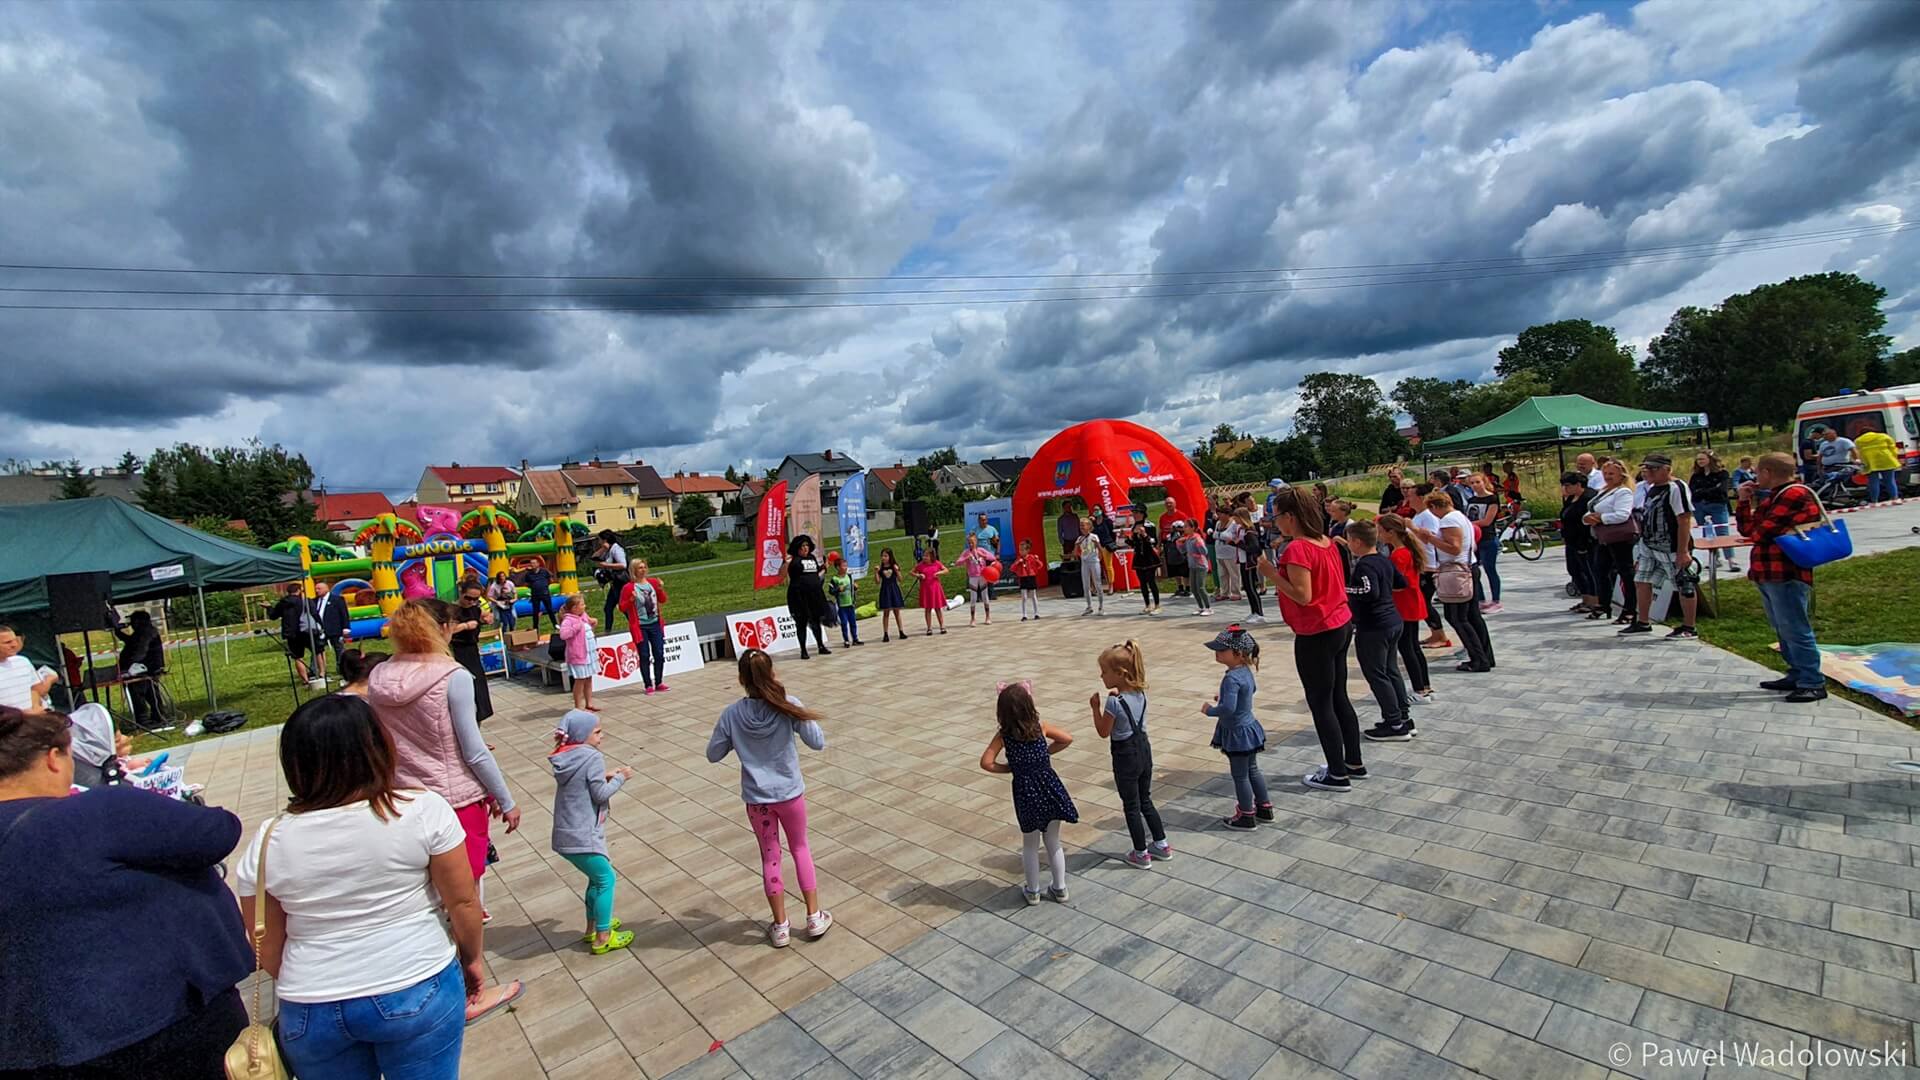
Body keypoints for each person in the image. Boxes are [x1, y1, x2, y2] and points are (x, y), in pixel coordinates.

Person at [235, 694, 485, 1079]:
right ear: (379, 747)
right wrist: (471, 958)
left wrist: (318, 977)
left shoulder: (268, 841)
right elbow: (463, 902)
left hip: (310, 1006)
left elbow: (264, 942)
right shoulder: (421, 811)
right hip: (416, 982)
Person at [0, 705, 254, 1080]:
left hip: (27, 1047)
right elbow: (219, 831)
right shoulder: (97, 810)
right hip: (164, 1024)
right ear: (53, 758)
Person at [365, 599, 523, 1022]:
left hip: (400, 799)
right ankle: (471, 990)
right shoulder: (453, 677)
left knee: (425, 897)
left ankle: (431, 985)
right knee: (465, 898)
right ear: (445, 628)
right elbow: (472, 749)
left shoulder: (379, 674)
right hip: (454, 800)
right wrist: (505, 798)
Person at [708, 649, 833, 945]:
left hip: (757, 799)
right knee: (800, 848)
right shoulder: (787, 705)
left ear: (741, 679)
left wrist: (734, 739)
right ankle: (814, 917)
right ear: (772, 673)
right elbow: (817, 742)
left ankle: (780, 925)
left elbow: (713, 753)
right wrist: (795, 710)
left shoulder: (732, 714)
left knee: (770, 857)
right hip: (790, 794)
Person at [1261, 488, 1367, 791]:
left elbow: (1303, 595)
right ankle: (1353, 762)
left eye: (1277, 515)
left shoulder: (1298, 549)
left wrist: (1270, 574)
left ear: (1290, 517)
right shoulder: (1326, 542)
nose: (1275, 521)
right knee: (1339, 696)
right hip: (1339, 622)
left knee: (1321, 703)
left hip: (1316, 630)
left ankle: (1336, 772)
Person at [1738, 452, 1829, 703]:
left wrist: (1754, 518)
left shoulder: (1794, 495)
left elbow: (1760, 532)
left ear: (1768, 472)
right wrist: (1744, 501)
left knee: (1795, 628)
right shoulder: (1776, 496)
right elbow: (1748, 529)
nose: (1755, 477)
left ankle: (1812, 681)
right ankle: (1797, 672)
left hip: (1786, 572)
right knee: (1782, 627)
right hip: (1769, 571)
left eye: (1758, 472)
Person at [979, 680, 1076, 904]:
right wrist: (1044, 755)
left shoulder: (1004, 736)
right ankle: (1060, 888)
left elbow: (986, 762)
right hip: (1049, 786)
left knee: (1030, 845)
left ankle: (1032, 891)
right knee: (1053, 841)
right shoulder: (1040, 727)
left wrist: (1011, 768)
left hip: (1025, 791)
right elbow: (1067, 738)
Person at [550, 709, 635, 954]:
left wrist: (604, 775)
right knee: (606, 879)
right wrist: (620, 778)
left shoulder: (567, 755)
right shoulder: (592, 758)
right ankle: (603, 936)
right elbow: (600, 794)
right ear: (582, 734)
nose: (601, 736)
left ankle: (592, 927)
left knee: (594, 879)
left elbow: (583, 781)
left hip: (566, 832)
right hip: (583, 833)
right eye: (597, 732)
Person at [1089, 642, 1169, 868]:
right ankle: (1162, 844)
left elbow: (1103, 732)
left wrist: (1095, 707)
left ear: (1119, 674)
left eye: (1104, 672)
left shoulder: (1114, 702)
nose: (1101, 676)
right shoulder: (1139, 693)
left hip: (1125, 755)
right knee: (1146, 800)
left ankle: (1141, 852)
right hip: (1144, 750)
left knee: (1131, 805)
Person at [1347, 521, 1414, 742]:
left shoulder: (1365, 565)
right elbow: (1401, 582)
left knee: (1377, 674)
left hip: (1374, 625)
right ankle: (1402, 717)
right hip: (1393, 620)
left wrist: (1342, 589)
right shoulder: (1384, 560)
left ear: (1357, 542)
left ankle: (1394, 723)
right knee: (1391, 670)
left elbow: (1369, 591)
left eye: (1349, 541)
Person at [1414, 492, 1495, 673]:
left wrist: (1430, 538)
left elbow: (1454, 547)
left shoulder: (1448, 521)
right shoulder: (1461, 517)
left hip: (1456, 571)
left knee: (1457, 617)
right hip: (1468, 567)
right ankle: (1485, 656)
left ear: (1435, 507)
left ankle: (1478, 659)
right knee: (1472, 615)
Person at [1621, 453, 1699, 639]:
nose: (1648, 472)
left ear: (1667, 469)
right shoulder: (1652, 488)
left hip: (1670, 546)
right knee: (1641, 580)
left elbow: (1684, 519)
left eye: (1654, 468)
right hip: (1649, 545)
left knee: (1683, 584)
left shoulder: (1676, 488)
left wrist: (1683, 551)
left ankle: (1689, 627)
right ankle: (1643, 622)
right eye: (1646, 468)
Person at [1202, 626, 1268, 826]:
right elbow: (1251, 690)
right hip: (1250, 728)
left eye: (1222, 650)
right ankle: (1265, 808)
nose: (1217, 653)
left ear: (1238, 654)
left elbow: (1228, 709)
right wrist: (1227, 698)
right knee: (1253, 770)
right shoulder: (1246, 671)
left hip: (1237, 734)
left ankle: (1246, 814)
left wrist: (1211, 710)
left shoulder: (1231, 678)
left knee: (1240, 776)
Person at [1376, 515, 1433, 705]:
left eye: (1381, 531)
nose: (1379, 535)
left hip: (1405, 604)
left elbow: (1399, 583)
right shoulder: (1406, 550)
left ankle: (1419, 689)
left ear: (1391, 533)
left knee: (1407, 647)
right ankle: (1423, 686)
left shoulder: (1399, 554)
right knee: (1413, 646)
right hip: (1411, 602)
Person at [1584, 461, 1639, 623]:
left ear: (1621, 475)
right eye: (1605, 473)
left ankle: (1630, 609)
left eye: (1611, 474)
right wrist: (1587, 518)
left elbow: (1623, 514)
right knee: (1600, 571)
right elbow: (1591, 508)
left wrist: (1601, 518)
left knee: (1625, 572)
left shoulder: (1623, 492)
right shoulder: (1604, 490)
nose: (1607, 477)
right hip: (1603, 537)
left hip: (1620, 538)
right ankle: (1603, 604)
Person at [618, 558, 673, 692]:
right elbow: (622, 607)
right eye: (639, 568)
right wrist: (631, 600)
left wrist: (660, 588)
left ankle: (659, 682)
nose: (643, 570)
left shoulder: (653, 583)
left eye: (644, 567)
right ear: (634, 570)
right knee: (644, 655)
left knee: (659, 653)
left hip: (655, 624)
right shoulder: (628, 587)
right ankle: (648, 684)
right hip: (640, 626)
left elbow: (663, 599)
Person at [1411, 486, 1450, 650]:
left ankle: (1440, 634)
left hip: (1429, 565)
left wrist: (1412, 530)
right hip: (1420, 563)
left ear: (1420, 497)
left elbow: (1431, 538)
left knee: (1425, 602)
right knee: (1422, 601)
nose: (1407, 497)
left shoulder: (1428, 516)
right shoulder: (1418, 515)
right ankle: (1435, 632)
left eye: (1411, 495)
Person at [449, 581, 495, 723]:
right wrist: (465, 626)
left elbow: (485, 615)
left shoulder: (475, 609)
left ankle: (479, 723)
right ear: (461, 593)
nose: (471, 602)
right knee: (466, 689)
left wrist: (487, 618)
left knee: (479, 689)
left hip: (473, 650)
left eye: (476, 599)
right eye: (468, 598)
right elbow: (446, 631)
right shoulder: (451, 610)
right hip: (457, 650)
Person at [115, 609, 167, 729]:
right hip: (145, 668)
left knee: (139, 693)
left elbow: (140, 651)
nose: (131, 624)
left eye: (133, 621)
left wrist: (129, 666)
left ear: (138, 622)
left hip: (145, 669)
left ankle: (144, 719)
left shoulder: (145, 632)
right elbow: (131, 642)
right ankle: (158, 716)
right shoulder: (144, 631)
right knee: (150, 693)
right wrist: (118, 632)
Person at [784, 536, 833, 659]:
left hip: (814, 595)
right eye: (802, 546)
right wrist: (786, 562)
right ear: (797, 548)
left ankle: (821, 646)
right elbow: (787, 574)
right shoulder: (794, 561)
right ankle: (803, 650)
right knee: (801, 623)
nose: (805, 548)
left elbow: (815, 573)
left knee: (816, 621)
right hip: (800, 596)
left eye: (807, 546)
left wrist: (823, 567)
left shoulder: (812, 558)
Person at [1558, 471, 1600, 614]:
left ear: (1578, 485)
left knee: (1588, 571)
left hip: (1585, 541)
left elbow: (1584, 521)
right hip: (1571, 540)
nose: (1565, 488)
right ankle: (1585, 598)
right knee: (1574, 570)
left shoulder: (1588, 497)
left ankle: (1595, 601)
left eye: (1567, 485)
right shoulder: (1570, 498)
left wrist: (1583, 542)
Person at [1689, 452, 1737, 574]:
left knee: (1722, 531)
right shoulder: (1696, 476)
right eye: (1698, 459)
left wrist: (1703, 491)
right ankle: (1715, 558)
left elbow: (1721, 489)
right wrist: (1709, 490)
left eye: (1702, 459)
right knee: (1706, 532)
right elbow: (1692, 491)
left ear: (1710, 459)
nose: (1700, 461)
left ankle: (1731, 560)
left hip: (1717, 505)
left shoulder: (1722, 474)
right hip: (1699, 506)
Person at [1465, 474, 1504, 613]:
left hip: (1488, 537)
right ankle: (1480, 599)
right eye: (1472, 483)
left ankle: (1496, 600)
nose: (1475, 485)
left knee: (1490, 568)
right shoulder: (1472, 500)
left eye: (1477, 482)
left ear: (1484, 482)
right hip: (1475, 539)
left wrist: (1467, 523)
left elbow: (1487, 521)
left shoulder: (1492, 499)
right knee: (1474, 570)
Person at [0, 625, 59, 713]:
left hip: (31, 721)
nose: (14, 645)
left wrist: (35, 708)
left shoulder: (22, 661)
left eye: (15, 640)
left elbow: (34, 689)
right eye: (8, 642)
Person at [270, 582, 319, 684]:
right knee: (317, 651)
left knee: (297, 657)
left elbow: (273, 616)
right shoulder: (303, 601)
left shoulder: (282, 603)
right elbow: (314, 613)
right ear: (298, 591)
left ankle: (305, 680)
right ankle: (321, 674)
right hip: (305, 630)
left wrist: (269, 608)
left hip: (291, 633)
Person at [557, 594, 599, 712]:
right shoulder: (568, 620)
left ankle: (589, 702)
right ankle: (578, 706)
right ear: (575, 608)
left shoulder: (583, 616)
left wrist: (593, 622)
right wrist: (576, 627)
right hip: (578, 654)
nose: (584, 606)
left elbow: (589, 623)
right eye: (582, 604)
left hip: (588, 653)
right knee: (580, 680)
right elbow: (564, 634)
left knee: (588, 678)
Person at [313, 579, 354, 674]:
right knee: (317, 650)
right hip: (320, 630)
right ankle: (316, 669)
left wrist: (346, 628)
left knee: (339, 649)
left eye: (319, 588)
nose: (317, 590)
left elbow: (344, 614)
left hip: (335, 629)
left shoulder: (337, 600)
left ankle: (342, 668)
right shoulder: (314, 601)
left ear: (326, 589)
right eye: (316, 588)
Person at [957, 533, 998, 627]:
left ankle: (988, 617)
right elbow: (958, 562)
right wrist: (966, 558)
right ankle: (972, 619)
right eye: (969, 542)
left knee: (985, 596)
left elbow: (993, 557)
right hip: (973, 577)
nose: (971, 544)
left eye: (972, 542)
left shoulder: (981, 550)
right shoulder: (966, 552)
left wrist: (983, 555)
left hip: (982, 576)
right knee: (973, 598)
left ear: (976, 542)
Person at [1856, 426, 1903, 506]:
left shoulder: (1858, 440)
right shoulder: (1884, 436)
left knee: (1873, 482)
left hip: (1870, 462)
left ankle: (1874, 501)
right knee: (1889, 481)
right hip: (1886, 460)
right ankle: (1895, 498)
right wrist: (1894, 457)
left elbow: (1858, 453)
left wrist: (1862, 462)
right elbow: (1893, 448)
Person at [592, 530, 629, 632]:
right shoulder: (609, 550)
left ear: (605, 539)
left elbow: (623, 565)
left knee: (624, 608)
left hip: (621, 584)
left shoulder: (616, 549)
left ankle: (637, 627)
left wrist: (606, 565)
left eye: (600, 540)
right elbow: (594, 558)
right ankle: (608, 631)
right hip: (615, 584)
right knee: (608, 608)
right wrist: (603, 548)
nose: (598, 542)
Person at [825, 553, 863, 645]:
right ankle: (846, 640)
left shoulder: (849, 577)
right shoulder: (834, 579)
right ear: (838, 567)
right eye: (844, 566)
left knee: (853, 622)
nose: (846, 567)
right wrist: (838, 589)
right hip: (841, 605)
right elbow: (831, 591)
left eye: (846, 566)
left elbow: (852, 589)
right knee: (844, 623)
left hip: (850, 603)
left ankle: (855, 638)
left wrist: (855, 587)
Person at [875, 548, 909, 641]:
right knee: (886, 612)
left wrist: (897, 571)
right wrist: (876, 573)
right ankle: (885, 633)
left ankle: (901, 631)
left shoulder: (894, 566)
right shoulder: (881, 568)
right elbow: (877, 582)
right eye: (882, 556)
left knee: (897, 611)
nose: (883, 558)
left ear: (890, 557)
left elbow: (900, 579)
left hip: (894, 589)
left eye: (885, 556)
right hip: (885, 590)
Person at [1128, 522, 1162, 614]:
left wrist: (1144, 534)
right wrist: (1127, 538)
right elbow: (1133, 544)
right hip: (1139, 560)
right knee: (1142, 583)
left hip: (1150, 559)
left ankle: (1157, 605)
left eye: (1137, 513)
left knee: (1151, 582)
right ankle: (1147, 605)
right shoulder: (1134, 527)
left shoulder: (1149, 526)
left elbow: (1152, 541)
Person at [913, 549, 949, 635]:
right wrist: (918, 575)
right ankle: (929, 628)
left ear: (932, 556)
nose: (924, 557)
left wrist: (939, 573)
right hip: (926, 589)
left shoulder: (937, 563)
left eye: (926, 556)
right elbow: (912, 572)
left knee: (938, 608)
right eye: (924, 555)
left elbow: (946, 570)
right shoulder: (921, 565)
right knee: (928, 609)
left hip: (935, 588)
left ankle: (942, 626)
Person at [1180, 523, 1213, 615]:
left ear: (1192, 528)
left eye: (1186, 526)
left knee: (1201, 587)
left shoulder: (1197, 538)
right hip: (1192, 565)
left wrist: (1197, 550)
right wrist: (1179, 543)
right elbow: (1183, 550)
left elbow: (1204, 551)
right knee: (1194, 589)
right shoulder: (1188, 539)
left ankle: (1208, 607)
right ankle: (1200, 607)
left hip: (1200, 565)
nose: (1184, 528)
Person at [1076, 521, 1106, 616]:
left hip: (1094, 561)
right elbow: (1075, 552)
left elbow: (1100, 549)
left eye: (1083, 525)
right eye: (1080, 525)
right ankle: (1089, 606)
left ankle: (1101, 606)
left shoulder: (1094, 536)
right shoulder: (1080, 538)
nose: (1081, 527)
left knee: (1097, 583)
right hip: (1084, 562)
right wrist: (1077, 545)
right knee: (1086, 585)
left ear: (1088, 526)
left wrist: (1097, 545)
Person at [1215, 508, 1245, 602]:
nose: (1219, 516)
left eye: (1221, 514)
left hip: (1231, 552)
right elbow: (1214, 535)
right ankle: (1224, 592)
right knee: (1222, 574)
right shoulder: (1218, 524)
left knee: (1234, 573)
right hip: (1219, 552)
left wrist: (1220, 535)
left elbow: (1232, 537)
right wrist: (1219, 535)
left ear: (1227, 514)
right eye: (1218, 514)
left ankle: (1236, 592)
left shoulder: (1234, 524)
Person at [1011, 540, 1045, 621]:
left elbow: (1040, 565)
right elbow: (1012, 568)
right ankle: (1024, 615)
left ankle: (1036, 613)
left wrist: (1036, 560)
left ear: (1027, 550)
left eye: (1023, 550)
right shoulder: (1019, 559)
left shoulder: (1032, 557)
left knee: (1033, 596)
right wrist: (1018, 563)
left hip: (1031, 577)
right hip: (1023, 578)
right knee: (1024, 597)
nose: (1021, 551)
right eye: (1020, 550)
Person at [523, 560, 556, 631]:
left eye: (534, 563)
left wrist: (545, 585)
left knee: (550, 610)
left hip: (545, 593)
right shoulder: (528, 574)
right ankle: (535, 628)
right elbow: (526, 584)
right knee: (535, 612)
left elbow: (551, 580)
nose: (532, 564)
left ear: (538, 564)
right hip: (535, 595)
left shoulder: (544, 571)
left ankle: (555, 624)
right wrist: (534, 586)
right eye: (531, 563)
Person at [974, 513, 1001, 599]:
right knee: (979, 576)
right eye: (982, 520)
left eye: (985, 519)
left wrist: (997, 553)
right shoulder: (975, 530)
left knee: (990, 574)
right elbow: (971, 542)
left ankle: (991, 594)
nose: (984, 521)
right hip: (979, 558)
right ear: (978, 520)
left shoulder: (992, 529)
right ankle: (979, 596)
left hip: (990, 556)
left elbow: (997, 542)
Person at [1163, 515, 1190, 597]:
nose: (1176, 529)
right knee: (1176, 573)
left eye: (1179, 527)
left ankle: (1188, 589)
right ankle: (1180, 588)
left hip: (1183, 556)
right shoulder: (1169, 536)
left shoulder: (1185, 536)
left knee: (1185, 573)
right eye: (1174, 527)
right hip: (1173, 556)